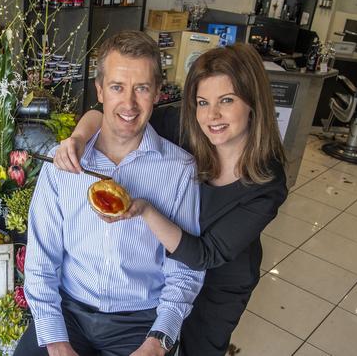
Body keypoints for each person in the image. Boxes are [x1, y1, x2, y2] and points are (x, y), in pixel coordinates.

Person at [54, 43, 288, 356]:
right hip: (167, 277)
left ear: (252, 102)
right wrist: (78, 140)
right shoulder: (187, 127)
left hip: (219, 282)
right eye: (203, 102)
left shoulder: (267, 182)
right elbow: (111, 115)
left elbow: (205, 255)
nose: (212, 115)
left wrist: (146, 210)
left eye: (227, 100)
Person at [15, 30, 205, 356]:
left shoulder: (180, 170)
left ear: (158, 93)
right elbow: (40, 259)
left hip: (141, 322)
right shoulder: (61, 164)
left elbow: (185, 270)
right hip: (70, 312)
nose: (129, 103)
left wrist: (158, 340)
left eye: (141, 88)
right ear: (100, 90)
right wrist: (56, 340)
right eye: (117, 87)